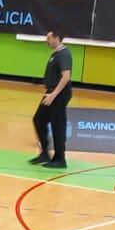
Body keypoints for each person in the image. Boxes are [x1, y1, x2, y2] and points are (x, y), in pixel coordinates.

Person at [28, 30, 73, 168]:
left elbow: (66, 77)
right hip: (51, 92)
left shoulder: (64, 54)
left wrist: (53, 95)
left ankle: (60, 159)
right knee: (39, 119)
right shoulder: (56, 54)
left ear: (57, 38)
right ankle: (44, 154)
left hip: (59, 94)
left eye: (49, 38)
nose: (46, 41)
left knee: (57, 125)